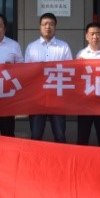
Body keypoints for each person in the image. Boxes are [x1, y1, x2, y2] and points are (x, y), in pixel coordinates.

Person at [24, 12, 73, 142]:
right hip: (36, 98)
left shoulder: (64, 47)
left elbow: (69, 70)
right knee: (36, 135)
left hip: (57, 97)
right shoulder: (31, 47)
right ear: (40, 27)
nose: (48, 27)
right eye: (45, 24)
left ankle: (60, 156)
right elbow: (26, 72)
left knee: (60, 135)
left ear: (55, 27)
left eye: (51, 24)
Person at [75, 22, 100, 147]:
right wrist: (77, 65)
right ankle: (80, 158)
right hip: (85, 102)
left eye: (97, 33)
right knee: (82, 137)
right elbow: (76, 79)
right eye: (92, 34)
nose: (95, 37)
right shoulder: (81, 54)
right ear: (86, 36)